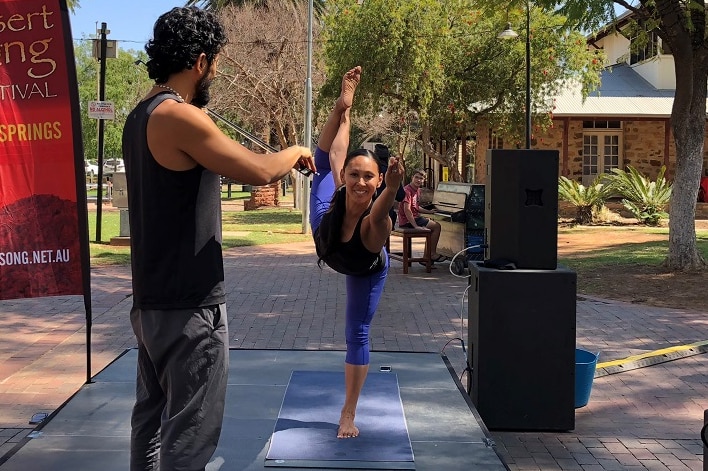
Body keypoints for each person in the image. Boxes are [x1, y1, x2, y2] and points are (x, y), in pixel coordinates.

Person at [121, 7, 314, 470]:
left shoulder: (139, 115)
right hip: (190, 309)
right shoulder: (180, 116)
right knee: (190, 435)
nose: (218, 71)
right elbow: (259, 170)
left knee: (150, 426)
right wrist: (297, 150)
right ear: (200, 61)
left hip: (150, 305)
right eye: (217, 62)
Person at [309, 66, 404, 439]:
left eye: (369, 177)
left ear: (379, 181)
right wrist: (340, 109)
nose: (361, 182)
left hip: (365, 266)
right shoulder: (328, 205)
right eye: (354, 175)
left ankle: (348, 414)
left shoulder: (377, 222)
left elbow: (380, 209)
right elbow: (327, 157)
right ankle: (342, 109)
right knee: (323, 163)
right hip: (329, 236)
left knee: (357, 333)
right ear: (346, 178)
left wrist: (394, 187)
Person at [398, 169, 446, 262]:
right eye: (416, 177)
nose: (418, 180)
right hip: (408, 221)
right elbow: (407, 210)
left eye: (421, 178)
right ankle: (431, 254)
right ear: (412, 177)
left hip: (415, 218)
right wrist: (415, 226)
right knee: (436, 226)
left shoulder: (417, 190)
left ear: (424, 180)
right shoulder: (407, 190)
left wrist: (430, 212)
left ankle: (426, 257)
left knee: (432, 226)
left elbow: (416, 207)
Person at [373, 143, 405, 226]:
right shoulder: (392, 173)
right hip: (387, 216)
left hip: (368, 213)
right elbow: (400, 196)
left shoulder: (370, 171)